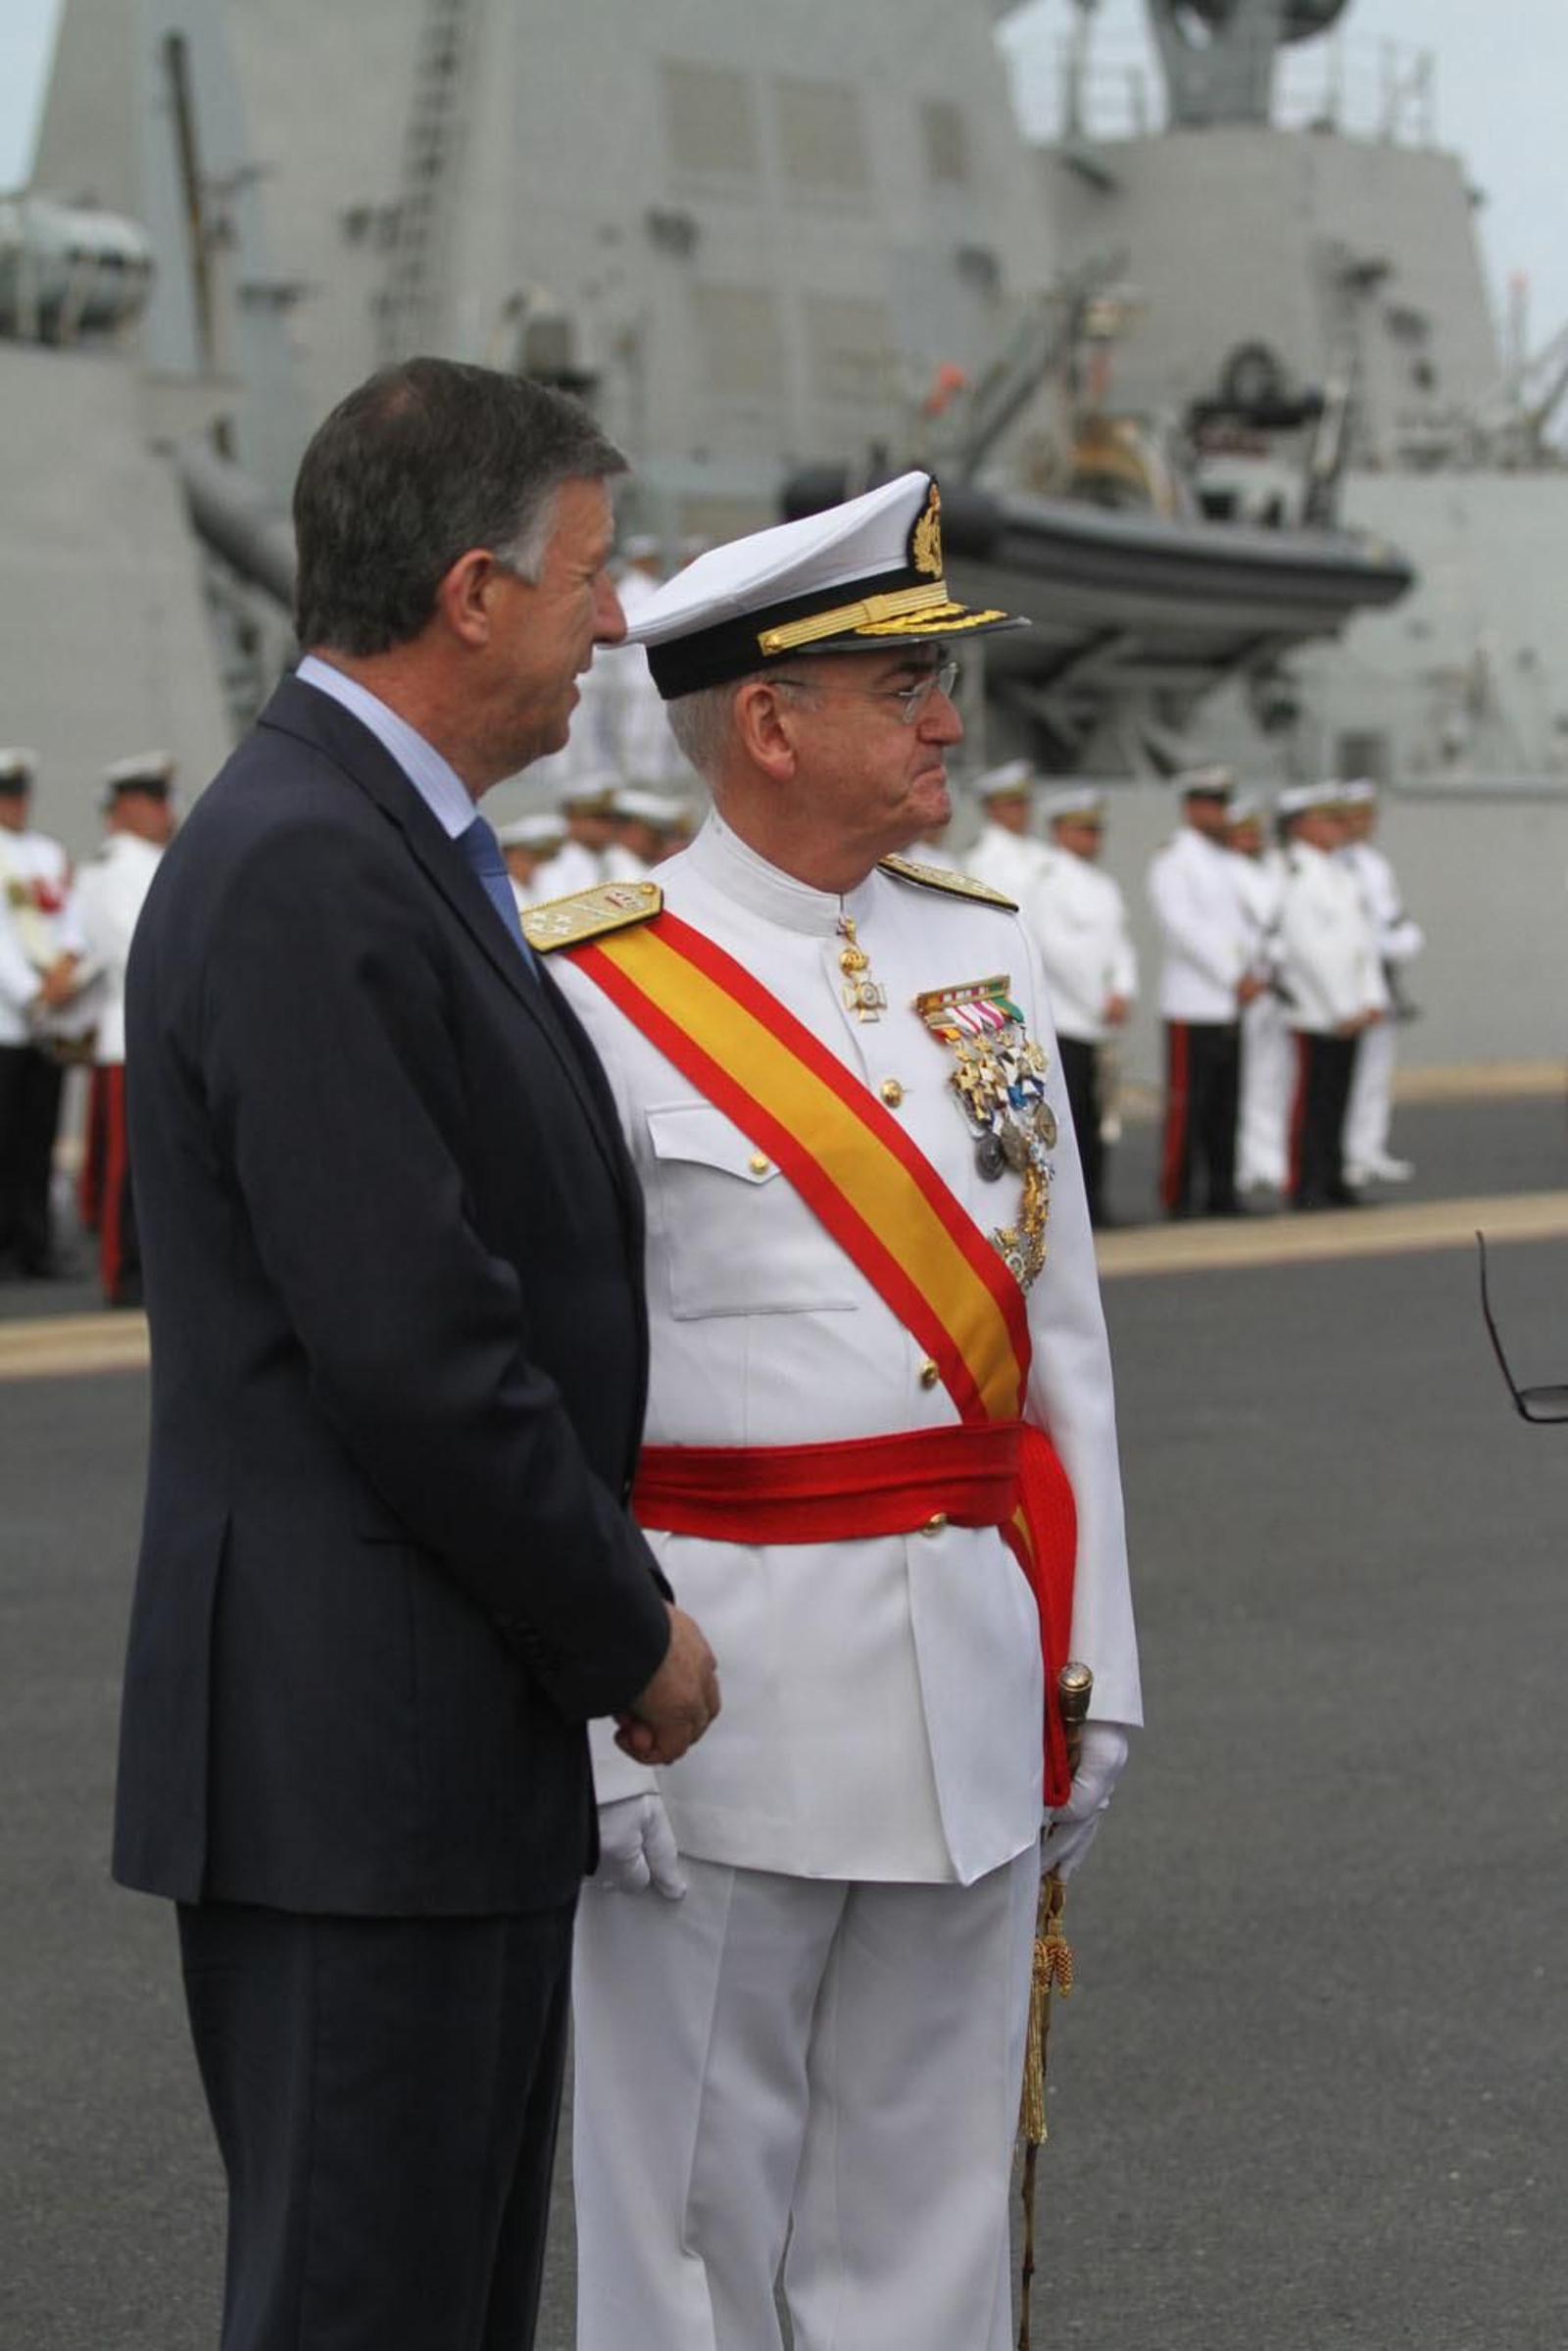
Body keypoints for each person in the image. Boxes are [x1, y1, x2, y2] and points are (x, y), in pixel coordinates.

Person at [111, 357, 720, 2351]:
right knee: (365, 2297)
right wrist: (618, 1629)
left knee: (436, 2294)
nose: (614, 620)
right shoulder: (311, 860)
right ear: (471, 590)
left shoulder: (375, 836)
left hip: (406, 1751)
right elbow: (414, 1339)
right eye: (589, 577)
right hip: (353, 1758)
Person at [539, 470, 1141, 2351]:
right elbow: (553, 1391)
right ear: (774, 722)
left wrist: (1095, 1655)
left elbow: (1068, 1343)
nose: (949, 717)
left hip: (969, 1670)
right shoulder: (588, 987)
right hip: (718, 1689)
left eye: (940, 676)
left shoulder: (993, 948)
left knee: (931, 2207)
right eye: (905, 681)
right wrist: (592, 1712)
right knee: (696, 2217)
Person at [74, 752, 178, 1305]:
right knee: (128, 1169)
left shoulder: (159, 859)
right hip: (129, 1034)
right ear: (129, 806)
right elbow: (130, 945)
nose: (167, 811)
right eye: (157, 800)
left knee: (157, 1165)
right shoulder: (116, 868)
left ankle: (149, 1268)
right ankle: (122, 1270)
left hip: (164, 1030)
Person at [1147, 765, 1265, 1217]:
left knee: (1224, 1105)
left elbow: (1246, 925)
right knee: (1187, 1107)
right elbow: (1182, 929)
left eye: (1223, 804)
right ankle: (1178, 1196)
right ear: (1191, 807)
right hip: (1192, 1003)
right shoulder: (1174, 859)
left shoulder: (1226, 861)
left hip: (1229, 1003)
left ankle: (1222, 1191)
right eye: (1211, 804)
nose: (1219, 813)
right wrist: (1234, 974)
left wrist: (1251, 971)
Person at [1017, 784, 1137, 1226]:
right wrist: (1096, 999)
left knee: (1101, 1118)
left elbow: (1121, 943)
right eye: (1083, 829)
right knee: (1069, 1121)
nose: (1093, 838)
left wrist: (1122, 989)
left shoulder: (1103, 884)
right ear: (1060, 831)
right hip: (1068, 1018)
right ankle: (1071, 1209)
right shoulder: (1046, 880)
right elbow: (1053, 948)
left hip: (1102, 1020)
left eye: (1096, 830)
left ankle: (1097, 1200)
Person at [0, 747, 89, 1278]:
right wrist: (33, 990)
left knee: (39, 1136)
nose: (15, 804)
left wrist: (67, 970)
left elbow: (70, 922)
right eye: (6, 795)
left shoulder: (48, 853)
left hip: (49, 1020)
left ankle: (33, 1242)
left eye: (19, 794)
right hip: (6, 1020)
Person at [1276, 782, 1383, 1209]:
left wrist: (1369, 997)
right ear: (1302, 826)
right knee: (1312, 1099)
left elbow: (1361, 942)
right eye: (1328, 820)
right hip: (1317, 1009)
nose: (1339, 828)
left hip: (1348, 1010)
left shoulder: (1339, 872)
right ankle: (1306, 1181)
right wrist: (1342, 1006)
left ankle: (1332, 1175)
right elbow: (1305, 948)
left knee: (1339, 1095)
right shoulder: (1298, 874)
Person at [1340, 777, 1424, 1184]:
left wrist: (1402, 941)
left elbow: (1393, 917)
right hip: (1349, 981)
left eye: (1369, 815)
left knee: (1376, 1070)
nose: (1366, 823)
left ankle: (1368, 1146)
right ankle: (1344, 1153)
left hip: (1383, 978)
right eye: (1357, 815)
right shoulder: (1335, 865)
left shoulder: (1375, 864)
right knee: (1346, 1073)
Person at [1227, 790, 1291, 1198]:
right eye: (1245, 833)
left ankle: (1269, 1157)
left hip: (1274, 983)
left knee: (1272, 1077)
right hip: (1242, 985)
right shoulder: (1228, 872)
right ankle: (1246, 1162)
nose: (1253, 841)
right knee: (1244, 1079)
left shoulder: (1273, 870)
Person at [964, 755, 1051, 898]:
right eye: (1014, 803)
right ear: (992, 808)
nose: (1024, 809)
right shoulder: (983, 857)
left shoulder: (1039, 849)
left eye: (1025, 802)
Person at [495, 808, 567, 909]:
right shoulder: (500, 894)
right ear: (511, 857)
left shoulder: (533, 889)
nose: (537, 866)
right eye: (530, 859)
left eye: (540, 859)